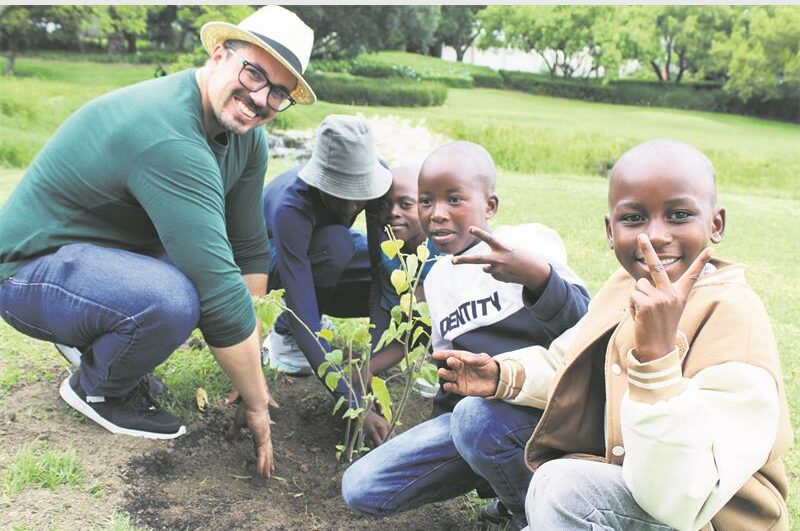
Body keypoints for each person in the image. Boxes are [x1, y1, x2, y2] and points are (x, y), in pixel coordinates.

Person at [0, 6, 316, 478]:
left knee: (208, 269)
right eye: (253, 73)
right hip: (26, 272)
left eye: (278, 93)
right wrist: (256, 401)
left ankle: (99, 335)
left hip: (96, 257)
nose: (259, 98)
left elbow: (248, 246)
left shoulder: (246, 138)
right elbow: (216, 287)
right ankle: (100, 387)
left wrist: (251, 357)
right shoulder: (171, 137)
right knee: (174, 299)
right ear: (218, 55)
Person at [433, 139, 793, 530]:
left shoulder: (733, 316)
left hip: (705, 516)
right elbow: (564, 360)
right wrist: (502, 374)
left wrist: (657, 360)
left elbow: (683, 497)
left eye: (679, 215)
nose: (653, 236)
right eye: (634, 219)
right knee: (476, 418)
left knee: (562, 489)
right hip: (636, 482)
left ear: (716, 223)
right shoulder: (625, 285)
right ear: (609, 230)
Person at [341, 141, 590, 524]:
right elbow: (450, 376)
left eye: (454, 199)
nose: (436, 214)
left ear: (489, 206)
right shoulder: (438, 281)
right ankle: (501, 478)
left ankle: (538, 514)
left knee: (476, 418)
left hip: (551, 415)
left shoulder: (527, 245)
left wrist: (538, 278)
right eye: (426, 201)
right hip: (478, 422)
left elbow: (587, 328)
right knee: (361, 486)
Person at [260, 115, 393, 446]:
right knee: (336, 245)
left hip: (327, 248)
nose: (350, 205)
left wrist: (370, 370)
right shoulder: (291, 207)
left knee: (387, 266)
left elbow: (381, 277)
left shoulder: (378, 180)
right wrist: (353, 404)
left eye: (358, 195)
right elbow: (306, 319)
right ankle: (282, 336)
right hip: (272, 262)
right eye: (339, 194)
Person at [368, 165, 440, 376]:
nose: (393, 213)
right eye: (384, 205)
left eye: (406, 204)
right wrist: (367, 372)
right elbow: (406, 326)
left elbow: (420, 326)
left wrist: (369, 370)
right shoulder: (390, 254)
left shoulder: (444, 251)